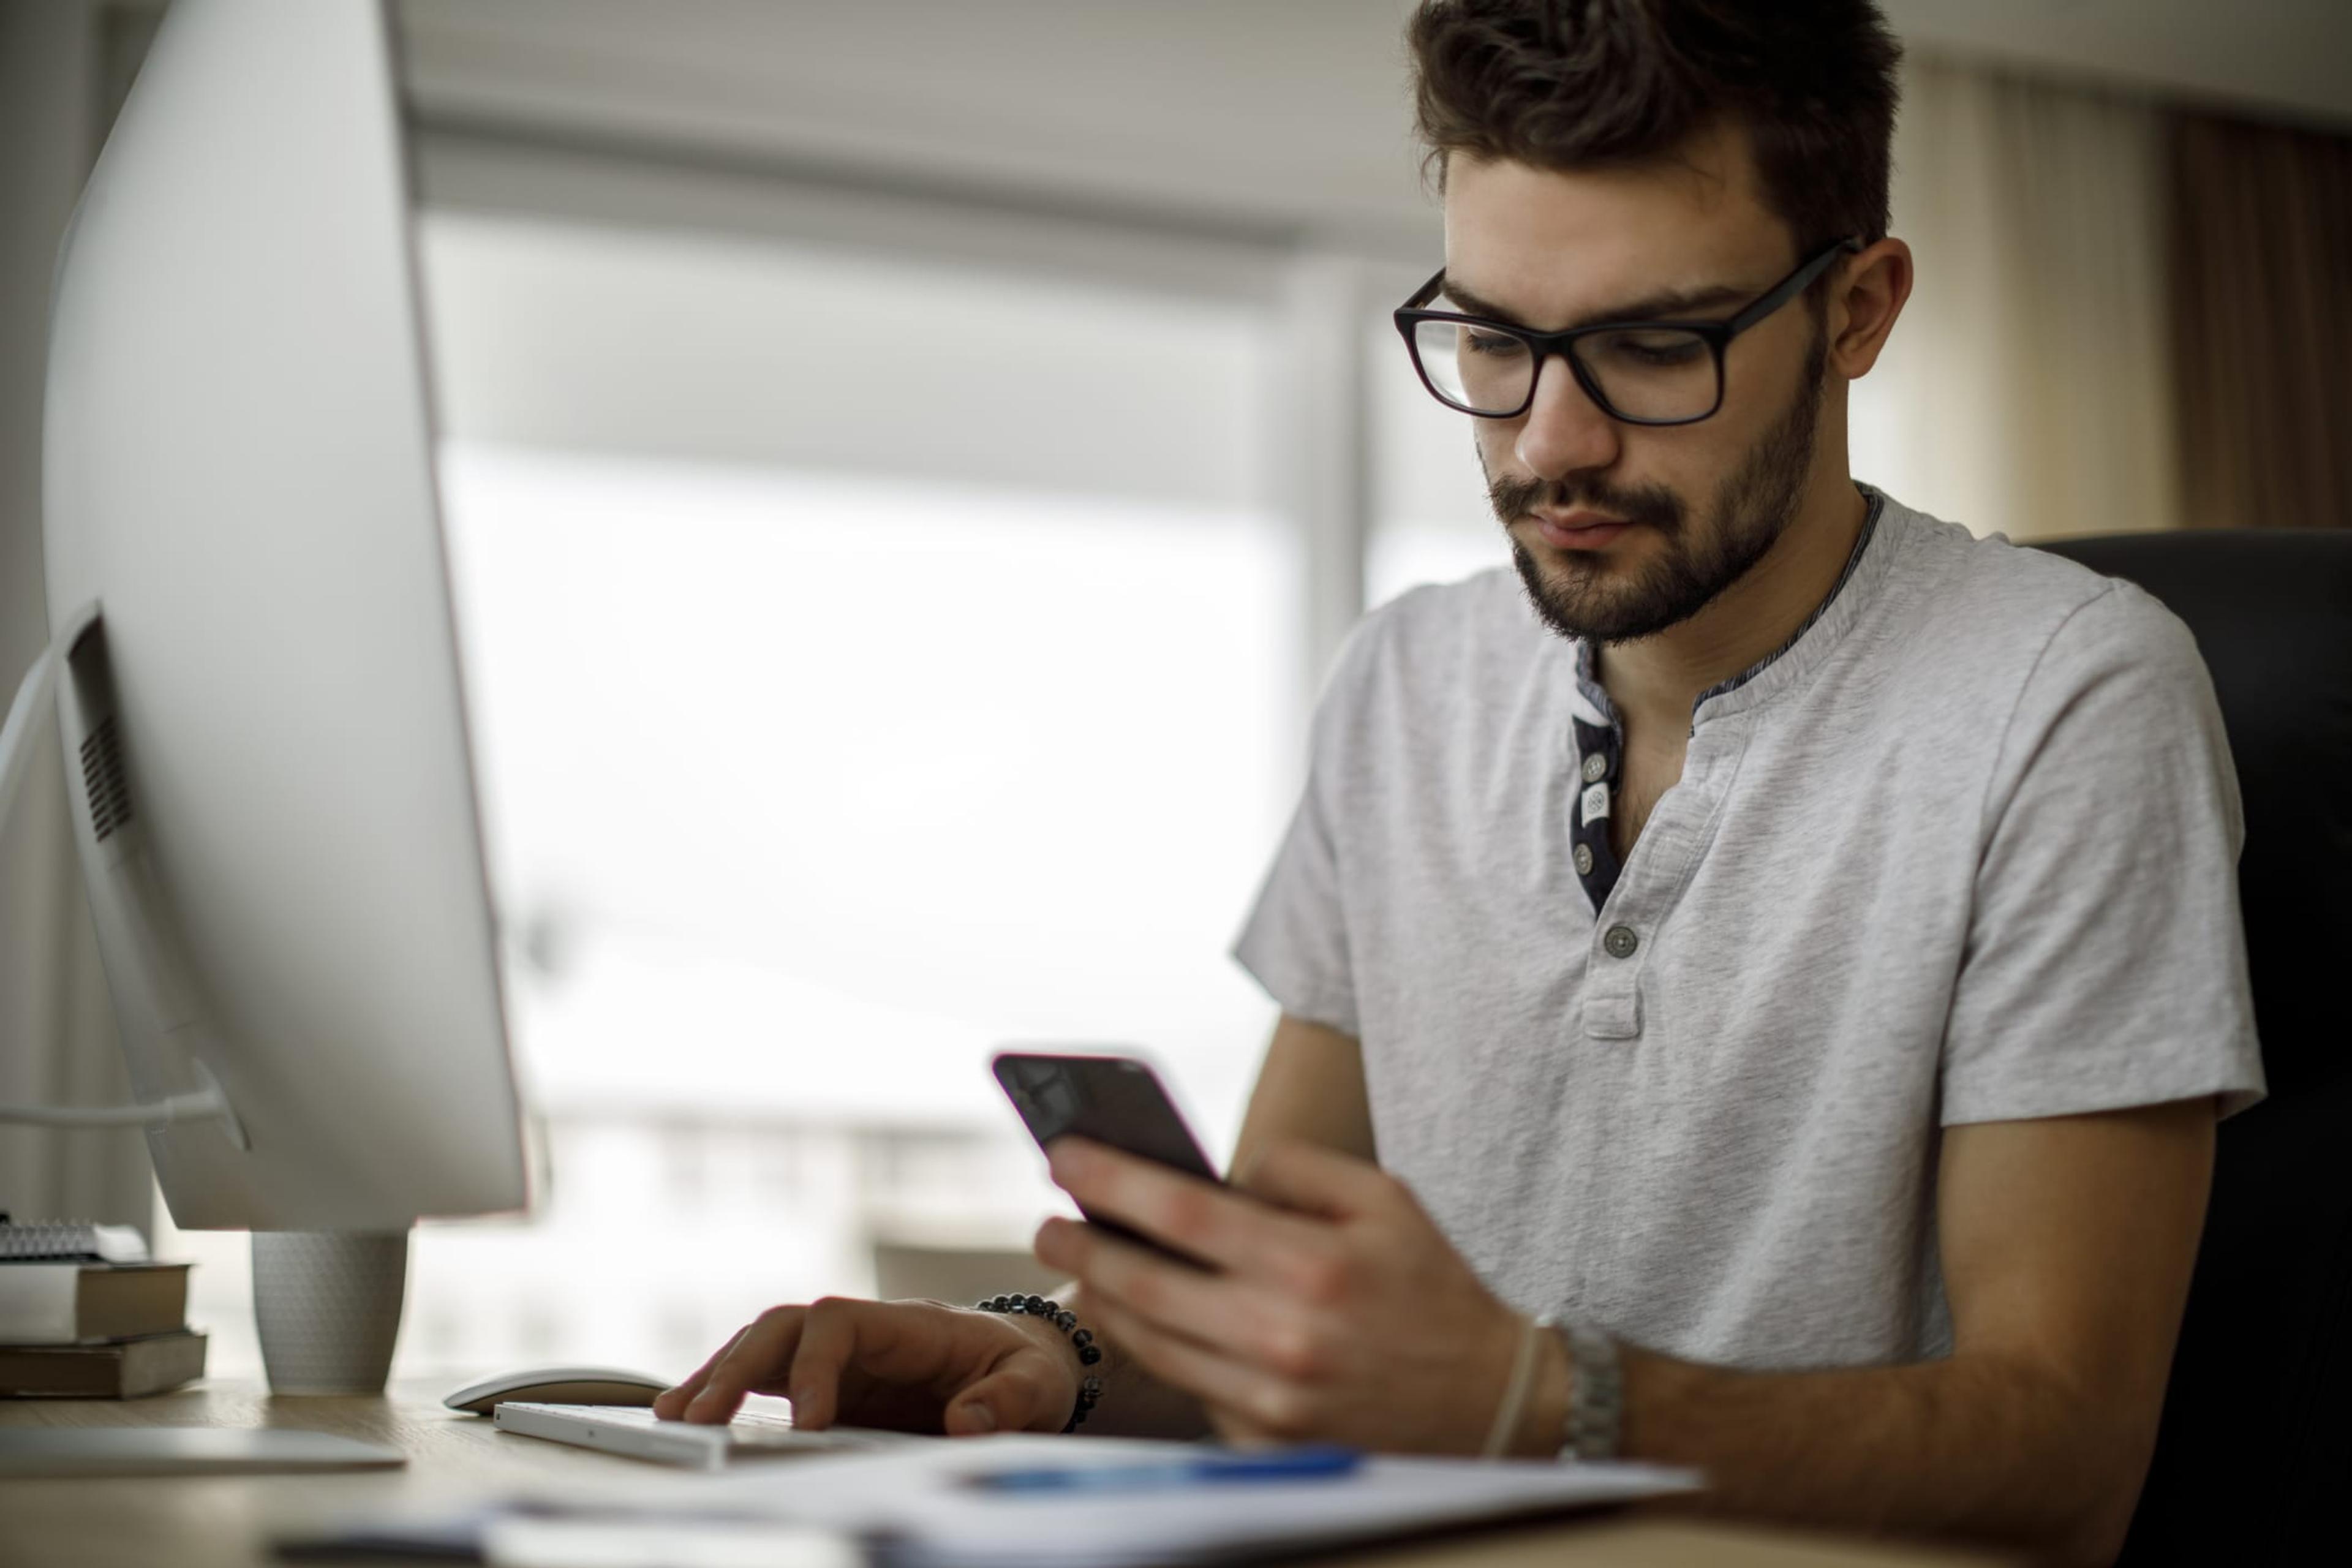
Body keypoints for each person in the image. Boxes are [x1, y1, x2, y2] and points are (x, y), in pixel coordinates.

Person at [655, 2, 2261, 1559]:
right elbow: (1272, 1319)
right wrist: (1048, 1358)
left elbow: (2064, 1459)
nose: (1549, 443)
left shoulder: (2071, 697)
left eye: (1652, 345)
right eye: (1494, 338)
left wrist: (1532, 1404)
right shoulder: (1404, 684)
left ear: (1856, 309)